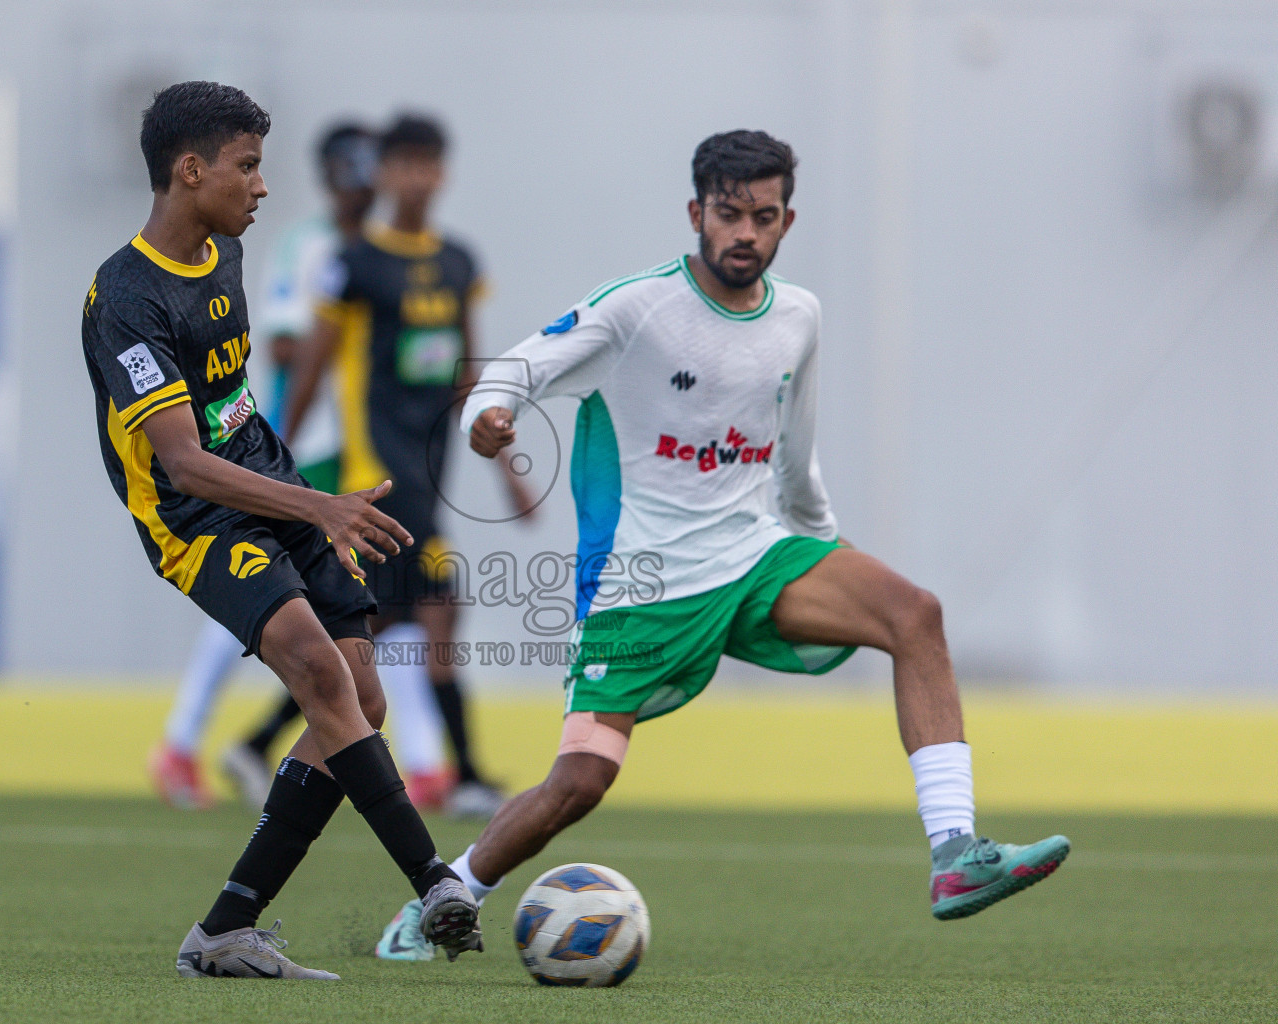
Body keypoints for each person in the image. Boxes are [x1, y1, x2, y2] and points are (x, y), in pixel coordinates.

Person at [375, 130, 1069, 962]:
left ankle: (955, 854)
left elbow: (793, 449)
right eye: (730, 214)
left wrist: (822, 540)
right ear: (696, 213)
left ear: (787, 221)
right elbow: (517, 368)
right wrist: (488, 417)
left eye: (764, 217)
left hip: (755, 560)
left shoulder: (799, 316)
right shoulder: (637, 308)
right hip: (641, 591)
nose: (746, 232)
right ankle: (442, 896)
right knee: (579, 784)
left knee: (914, 613)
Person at [81, 81, 481, 978]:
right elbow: (183, 462)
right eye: (248, 166)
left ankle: (228, 926)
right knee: (318, 669)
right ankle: (435, 882)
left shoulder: (224, 252)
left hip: (269, 482)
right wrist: (321, 507)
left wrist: (299, 492)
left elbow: (230, 406)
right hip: (194, 520)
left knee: (362, 699)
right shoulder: (125, 297)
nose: (263, 186)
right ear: (191, 170)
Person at [285, 113, 533, 820]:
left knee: (380, 628)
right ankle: (467, 774)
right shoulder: (356, 263)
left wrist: (509, 468)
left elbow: (466, 377)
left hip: (431, 478)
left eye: (430, 164)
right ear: (385, 173)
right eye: (405, 164)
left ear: (443, 172)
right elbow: (314, 360)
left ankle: (261, 741)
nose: (418, 178)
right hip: (375, 478)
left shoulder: (458, 263)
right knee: (431, 614)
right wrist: (277, 457)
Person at [150, 123, 378, 812]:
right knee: (270, 594)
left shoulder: (384, 250)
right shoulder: (309, 247)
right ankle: (183, 741)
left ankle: (266, 743)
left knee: (367, 608)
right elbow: (282, 345)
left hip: (364, 448)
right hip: (307, 448)